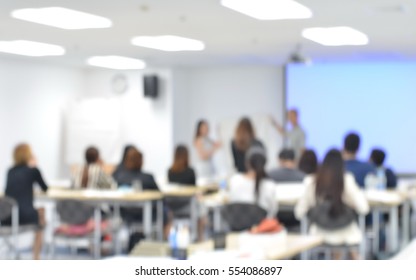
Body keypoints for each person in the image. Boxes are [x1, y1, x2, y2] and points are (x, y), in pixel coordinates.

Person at [295, 149, 369, 259]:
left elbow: (299, 213)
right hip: (345, 234)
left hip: (318, 233)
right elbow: (364, 208)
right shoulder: (347, 180)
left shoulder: (311, 181)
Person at [3, 144, 48, 260]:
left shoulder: (10, 171)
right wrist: (34, 165)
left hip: (6, 216)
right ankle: (36, 256)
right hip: (25, 216)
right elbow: (45, 188)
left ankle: (32, 249)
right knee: (42, 213)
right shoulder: (33, 171)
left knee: (36, 211)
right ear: (29, 155)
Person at [167, 145, 206, 241]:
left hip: (173, 207)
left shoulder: (170, 172)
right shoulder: (190, 172)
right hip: (188, 205)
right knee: (202, 210)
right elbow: (194, 190)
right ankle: (200, 238)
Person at [228, 146, 277, 218]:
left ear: (247, 163)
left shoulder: (234, 180)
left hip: (237, 226)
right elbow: (273, 212)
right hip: (262, 227)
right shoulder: (269, 185)